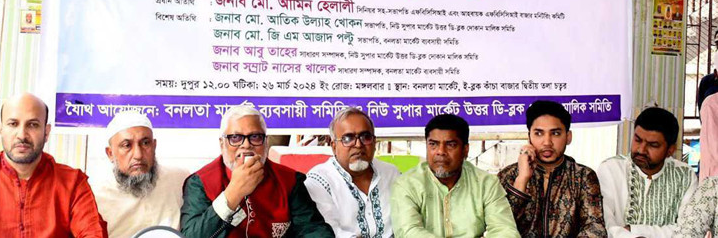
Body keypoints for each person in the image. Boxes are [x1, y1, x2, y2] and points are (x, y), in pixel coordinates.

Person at [0, 93, 107, 237]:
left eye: (33, 125)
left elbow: (92, 232)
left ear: (46, 132)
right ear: (0, 129)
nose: (22, 135)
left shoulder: (73, 183)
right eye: (13, 124)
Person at [180, 105, 333, 237]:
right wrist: (233, 194)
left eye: (255, 137)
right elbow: (191, 235)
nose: (246, 145)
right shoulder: (200, 182)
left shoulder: (289, 180)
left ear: (266, 143)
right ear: (222, 144)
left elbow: (312, 229)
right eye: (235, 138)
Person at [391, 113, 519, 238]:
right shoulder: (407, 184)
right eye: (433, 144)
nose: (441, 151)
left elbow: (506, 230)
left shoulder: (486, 184)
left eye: (450, 145)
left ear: (465, 150)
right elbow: (408, 232)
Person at [497, 100, 606, 237]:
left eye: (555, 133)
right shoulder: (508, 175)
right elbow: (499, 227)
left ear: (568, 137)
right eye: (539, 133)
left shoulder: (583, 176)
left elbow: (595, 228)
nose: (547, 142)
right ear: (529, 137)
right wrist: (522, 180)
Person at [597, 107, 697, 238]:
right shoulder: (611, 169)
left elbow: (688, 229)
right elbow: (604, 224)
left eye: (653, 145)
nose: (641, 150)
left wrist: (633, 230)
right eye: (637, 140)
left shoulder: (685, 175)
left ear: (670, 150)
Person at [91, 111, 190, 238]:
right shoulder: (95, 197)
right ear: (110, 153)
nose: (138, 155)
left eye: (145, 143)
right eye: (127, 145)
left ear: (154, 146)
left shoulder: (180, 179)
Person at [305, 107, 400, 237]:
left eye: (366, 137)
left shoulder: (392, 174)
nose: (358, 145)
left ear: (374, 142)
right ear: (334, 146)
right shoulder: (318, 181)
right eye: (348, 138)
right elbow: (329, 232)